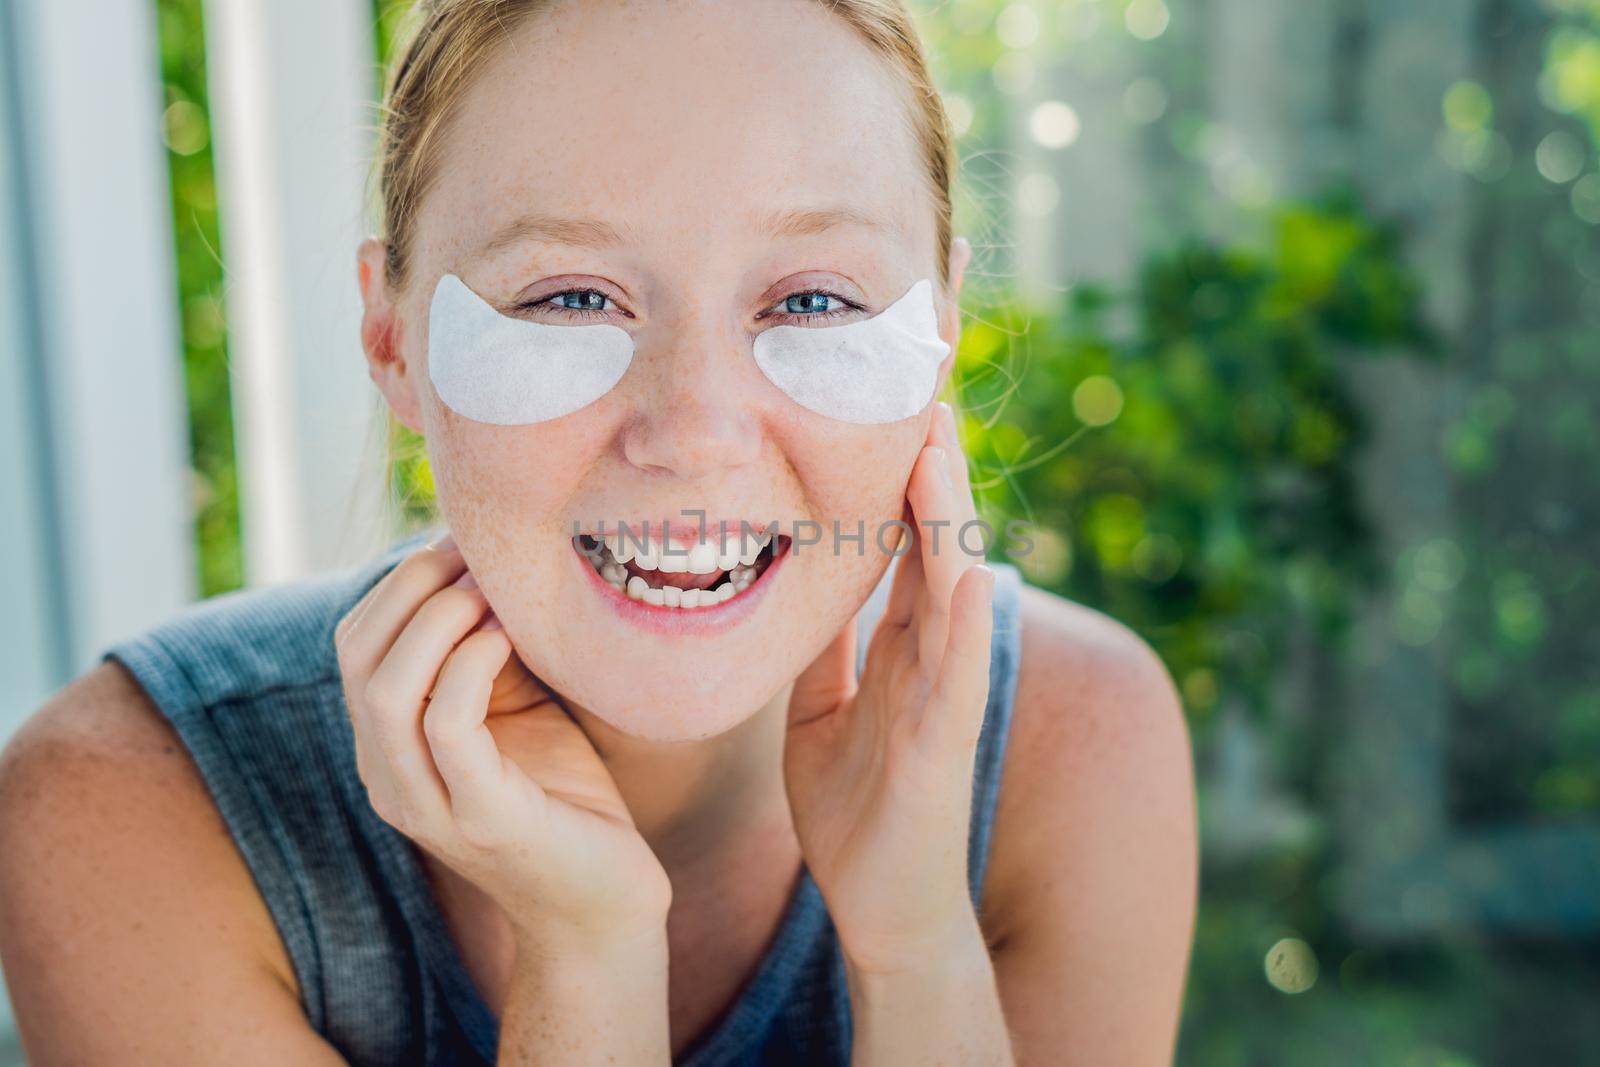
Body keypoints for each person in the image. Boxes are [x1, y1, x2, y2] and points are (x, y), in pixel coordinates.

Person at [0, 1, 1197, 1062]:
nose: (692, 431)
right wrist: (584, 958)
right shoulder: (123, 809)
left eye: (814, 298)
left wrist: (916, 952)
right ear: (390, 340)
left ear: (941, 322)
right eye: (569, 297)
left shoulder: (1079, 740)